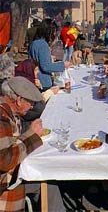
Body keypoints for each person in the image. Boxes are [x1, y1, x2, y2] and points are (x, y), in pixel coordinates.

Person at [0, 76, 43, 211]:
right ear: (19, 100)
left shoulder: (8, 113)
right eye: (30, 103)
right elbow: (5, 160)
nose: (31, 107)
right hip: (5, 184)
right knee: (48, 181)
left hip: (11, 175)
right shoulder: (2, 118)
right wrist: (32, 135)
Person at [29, 26, 70, 91]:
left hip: (37, 78)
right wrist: (63, 65)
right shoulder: (43, 44)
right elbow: (45, 66)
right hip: (43, 81)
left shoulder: (34, 42)